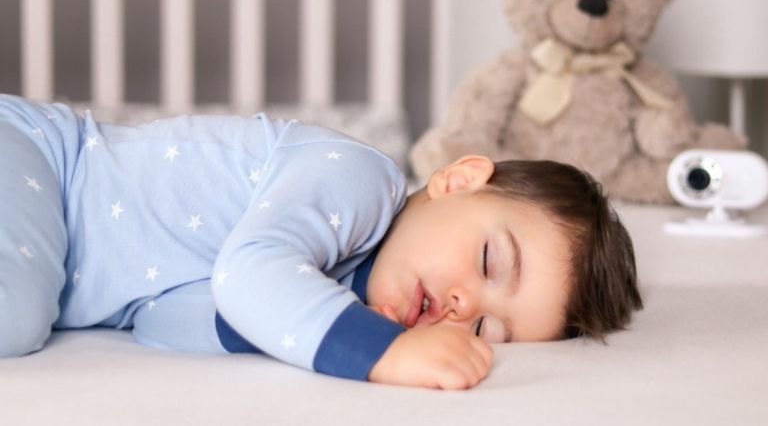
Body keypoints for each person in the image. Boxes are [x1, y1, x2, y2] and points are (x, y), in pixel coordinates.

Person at [0, 93, 642, 390]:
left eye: (485, 331)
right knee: (15, 314)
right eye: (485, 262)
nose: (460, 305)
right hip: (38, 158)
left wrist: (299, 325)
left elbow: (165, 320)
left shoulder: (317, 291)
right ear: (457, 180)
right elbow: (249, 275)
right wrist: (381, 353)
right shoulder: (360, 180)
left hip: (39, 225)